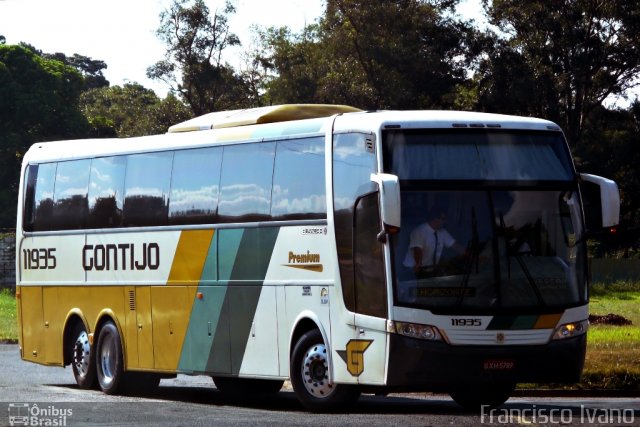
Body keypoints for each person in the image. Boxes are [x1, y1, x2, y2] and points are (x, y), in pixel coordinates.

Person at [403, 206, 466, 278]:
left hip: (429, 270)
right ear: (435, 218)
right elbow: (418, 250)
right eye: (443, 219)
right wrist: (418, 264)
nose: (445, 222)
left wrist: (468, 253)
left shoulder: (443, 232)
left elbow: (456, 246)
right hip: (412, 270)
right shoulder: (419, 231)